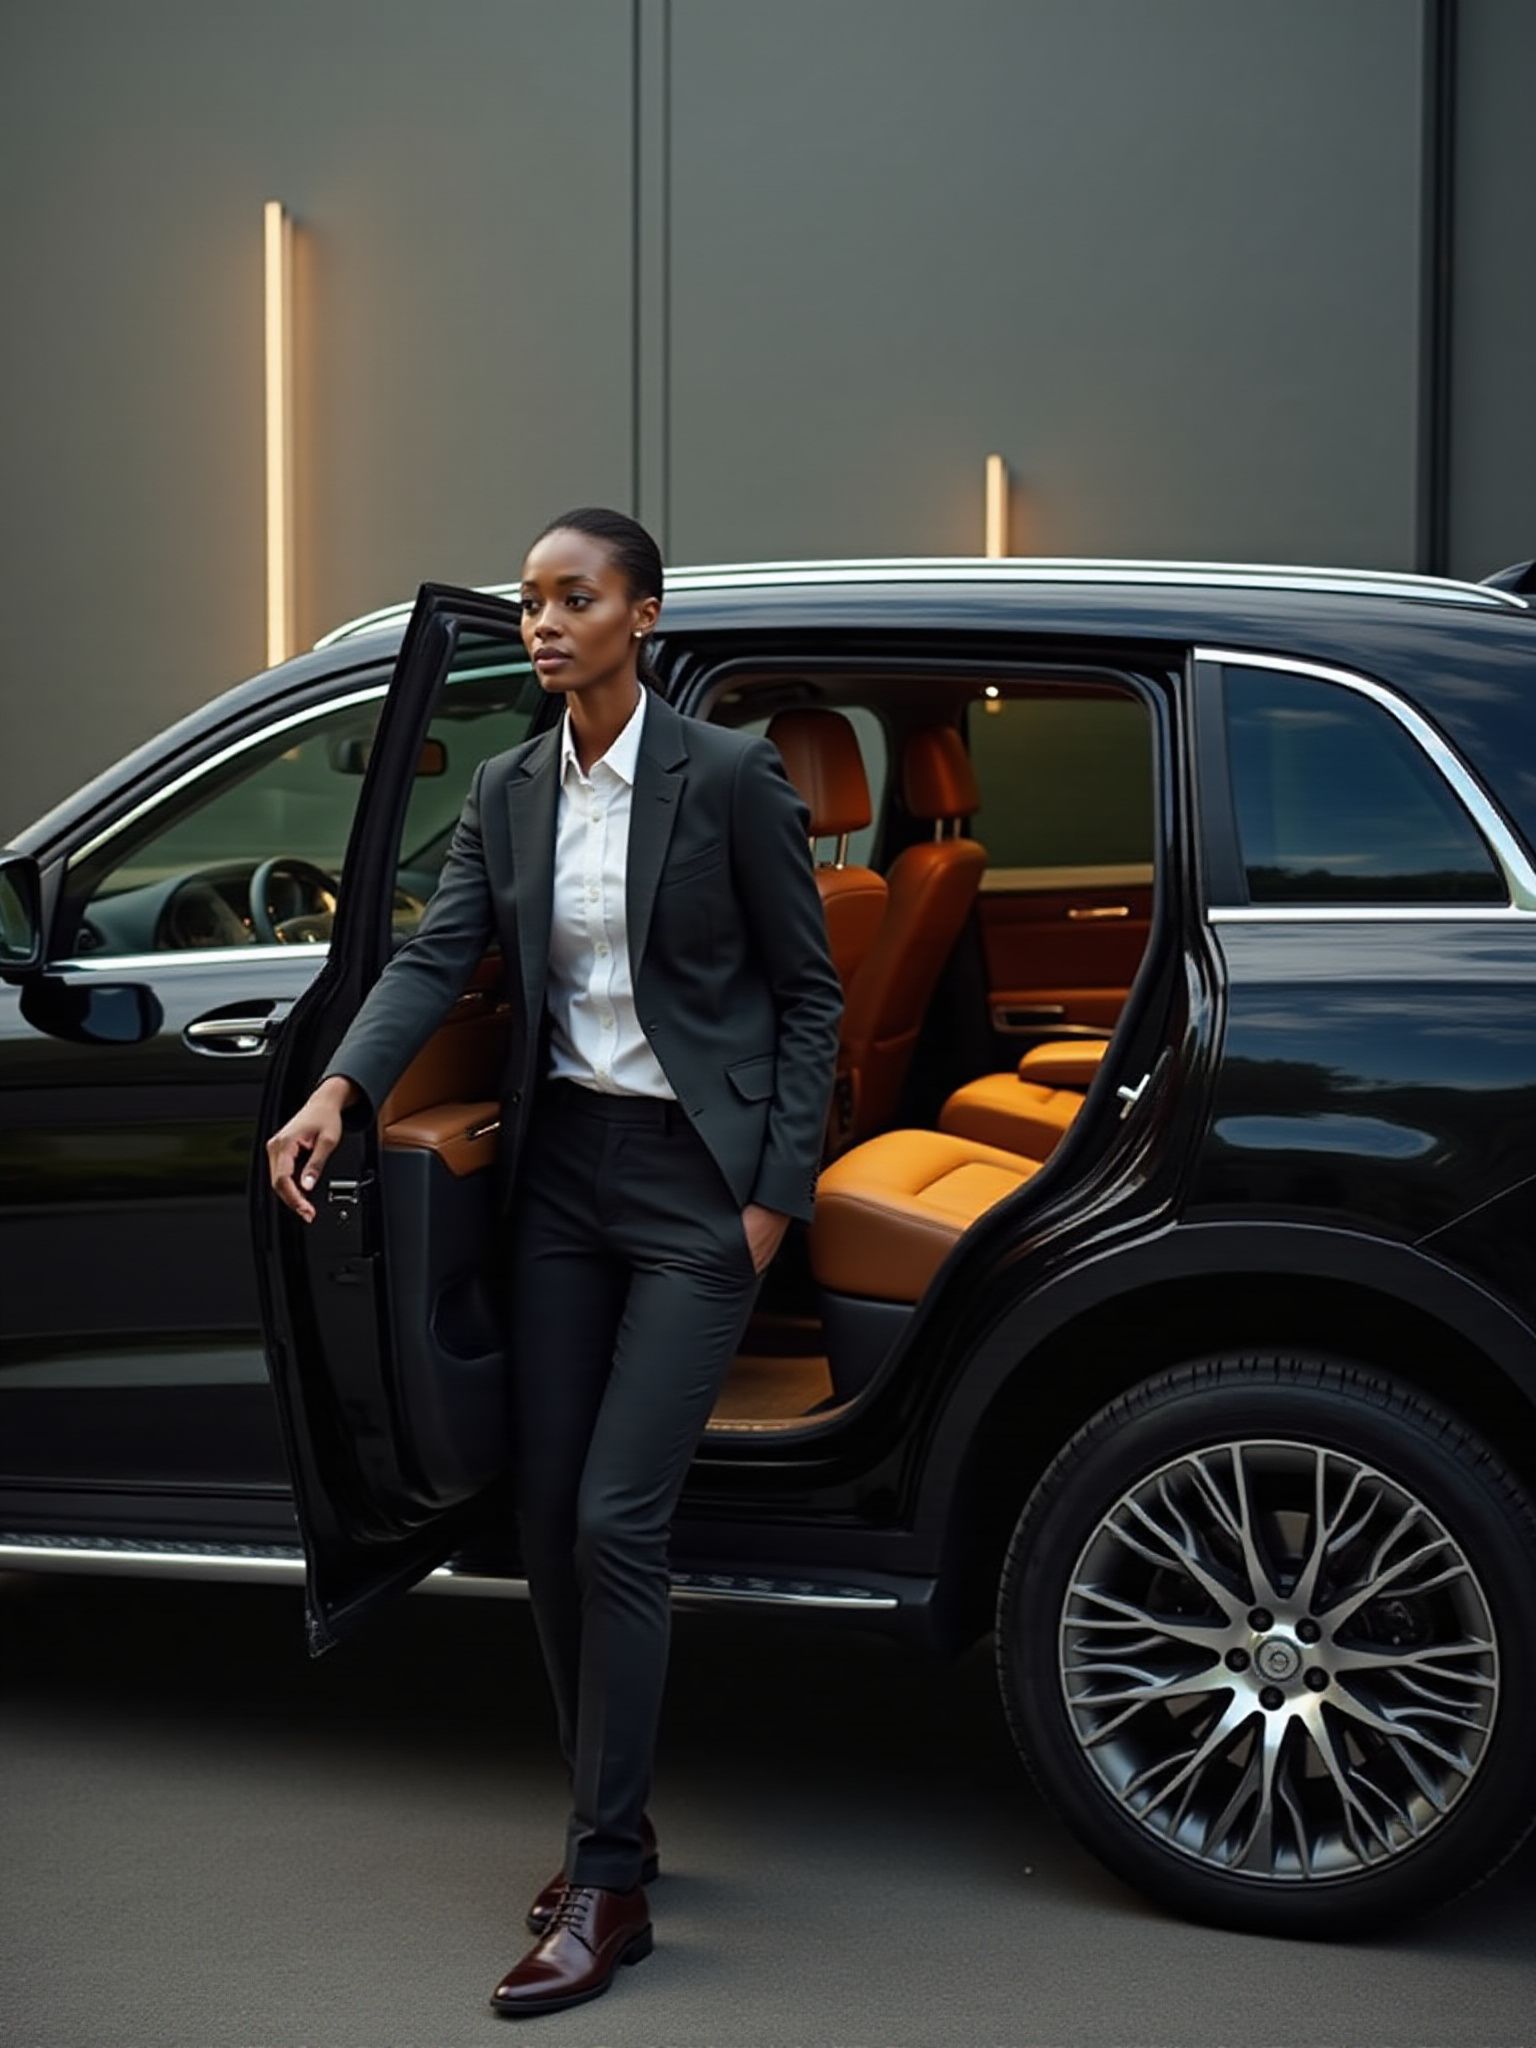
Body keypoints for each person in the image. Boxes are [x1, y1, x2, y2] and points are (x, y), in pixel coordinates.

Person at [265, 506, 843, 2019]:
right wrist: (343, 1088)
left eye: (573, 598)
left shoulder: (726, 777)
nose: (542, 622)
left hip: (694, 1190)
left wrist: (767, 1200)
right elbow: (434, 957)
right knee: (536, 1517)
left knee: (614, 1520)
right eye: (529, 602)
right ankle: (617, 1826)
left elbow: (809, 999)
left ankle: (606, 1884)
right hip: (561, 1179)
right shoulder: (515, 789)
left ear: (642, 618)